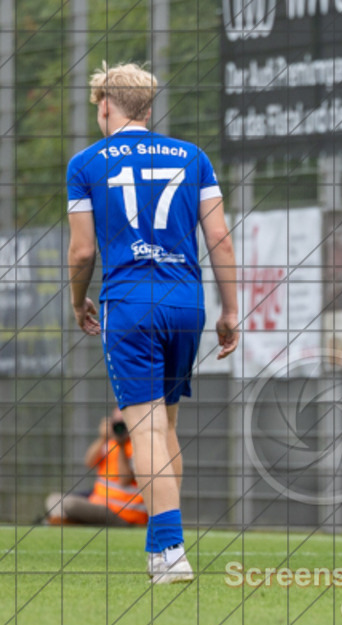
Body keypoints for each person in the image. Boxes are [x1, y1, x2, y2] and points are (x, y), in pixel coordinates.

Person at [67, 62, 239, 583]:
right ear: (148, 106)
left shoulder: (86, 162)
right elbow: (221, 240)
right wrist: (231, 311)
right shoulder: (193, 156)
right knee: (166, 427)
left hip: (130, 302)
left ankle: (169, 550)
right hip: (186, 301)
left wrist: (79, 301)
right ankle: (166, 546)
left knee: (143, 427)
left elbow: (81, 252)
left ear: (105, 106)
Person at [45, 408, 147, 526]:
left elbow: (124, 480)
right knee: (54, 499)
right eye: (116, 422)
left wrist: (122, 447)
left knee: (69, 504)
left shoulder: (138, 446)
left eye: (124, 422)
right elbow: (89, 462)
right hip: (98, 501)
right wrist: (102, 438)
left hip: (122, 512)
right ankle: (65, 521)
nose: (121, 427)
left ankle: (66, 522)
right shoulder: (109, 443)